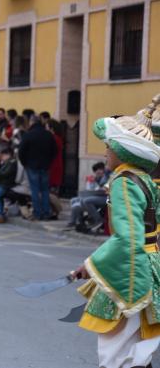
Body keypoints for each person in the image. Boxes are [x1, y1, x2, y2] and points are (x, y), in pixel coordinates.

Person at [72, 97, 160, 368]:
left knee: (116, 352)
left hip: (132, 268)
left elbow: (127, 237)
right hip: (151, 263)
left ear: (123, 151)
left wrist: (91, 265)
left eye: (109, 146)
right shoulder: (144, 179)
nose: (105, 151)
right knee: (139, 347)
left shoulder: (124, 182)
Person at [18, 115, 57, 220]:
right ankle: (46, 212)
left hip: (32, 165)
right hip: (45, 166)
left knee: (35, 190)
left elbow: (21, 151)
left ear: (31, 122)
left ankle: (37, 212)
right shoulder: (48, 135)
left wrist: (24, 163)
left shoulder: (28, 135)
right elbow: (55, 150)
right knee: (45, 190)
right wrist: (49, 162)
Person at [66, 162, 110, 231]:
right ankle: (77, 222)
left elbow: (106, 188)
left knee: (86, 201)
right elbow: (97, 188)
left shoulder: (109, 174)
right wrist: (96, 179)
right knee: (74, 200)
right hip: (98, 195)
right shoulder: (102, 176)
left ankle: (98, 220)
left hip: (107, 197)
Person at [47, 119, 64, 193]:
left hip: (53, 166)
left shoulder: (53, 138)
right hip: (56, 165)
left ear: (51, 128)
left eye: (47, 127)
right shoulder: (58, 138)